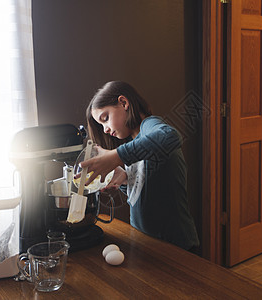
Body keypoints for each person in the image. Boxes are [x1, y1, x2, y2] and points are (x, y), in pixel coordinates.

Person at [79, 81, 199, 251]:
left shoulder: (150, 126)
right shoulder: (133, 144)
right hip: (145, 242)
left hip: (175, 245)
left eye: (105, 119)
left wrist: (116, 156)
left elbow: (170, 136)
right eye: (101, 125)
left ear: (124, 103)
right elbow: (141, 196)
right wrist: (124, 181)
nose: (105, 129)